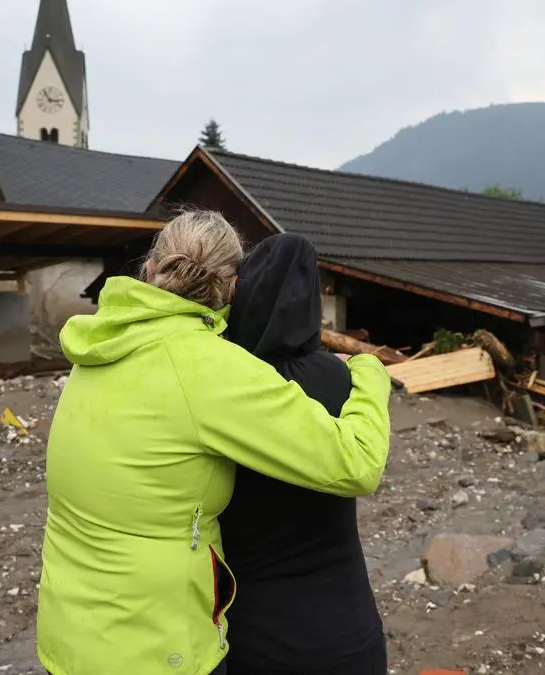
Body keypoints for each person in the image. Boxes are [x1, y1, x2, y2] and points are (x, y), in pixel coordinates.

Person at [36, 210, 391, 675]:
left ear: (149, 268)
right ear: (232, 288)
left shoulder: (96, 347)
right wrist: (369, 371)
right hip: (154, 647)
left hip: (68, 636)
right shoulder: (208, 368)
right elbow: (356, 462)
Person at [221, 233, 387, 675]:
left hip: (254, 636)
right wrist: (369, 367)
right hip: (350, 633)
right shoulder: (341, 379)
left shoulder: (221, 386)